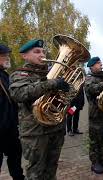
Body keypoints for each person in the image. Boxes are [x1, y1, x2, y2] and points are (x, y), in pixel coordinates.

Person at [9, 39, 70, 179]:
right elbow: (19, 94)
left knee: (51, 168)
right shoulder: (20, 74)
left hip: (55, 128)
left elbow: (63, 100)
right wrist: (52, 83)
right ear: (24, 56)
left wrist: (68, 90)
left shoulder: (51, 73)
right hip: (35, 133)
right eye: (37, 52)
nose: (42, 54)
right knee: (36, 172)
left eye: (43, 51)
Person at [0, 44, 24, 180]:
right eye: (4, 55)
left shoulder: (4, 74)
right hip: (2, 128)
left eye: (7, 55)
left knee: (15, 155)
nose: (7, 57)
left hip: (10, 128)